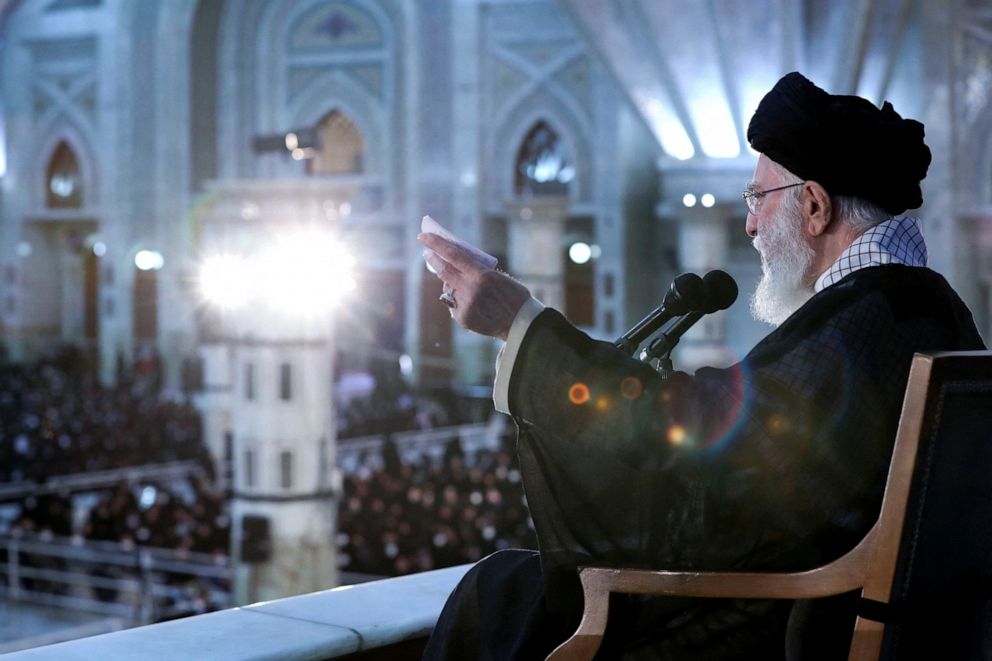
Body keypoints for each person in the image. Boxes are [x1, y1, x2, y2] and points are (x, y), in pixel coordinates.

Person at [417, 72, 986, 660]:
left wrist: (523, 324)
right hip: (839, 616)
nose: (750, 225)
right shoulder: (931, 307)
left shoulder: (872, 317)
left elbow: (708, 454)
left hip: (784, 628)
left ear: (814, 205)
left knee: (498, 595)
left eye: (757, 198)